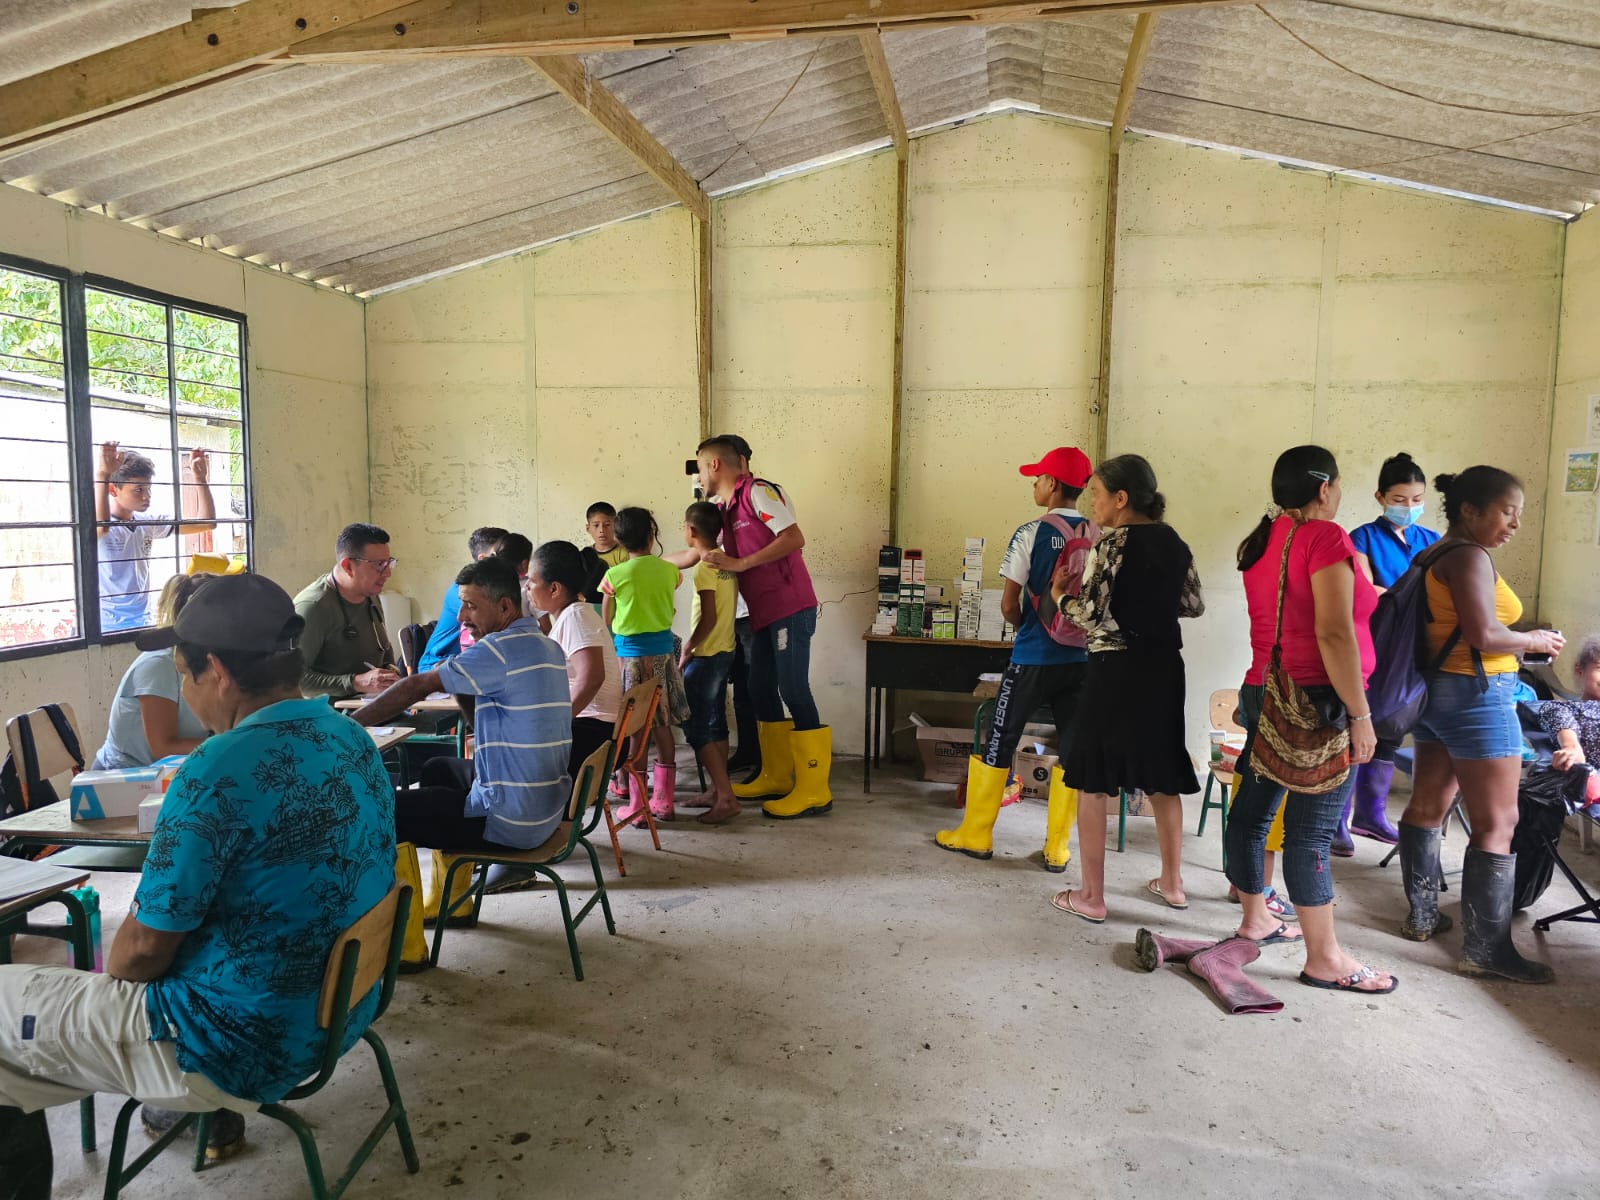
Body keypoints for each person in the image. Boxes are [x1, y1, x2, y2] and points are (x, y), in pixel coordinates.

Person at [0, 573, 396, 1180]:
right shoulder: (351, 737)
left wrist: (107, 994)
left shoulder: (215, 769)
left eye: (184, 675)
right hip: (341, 1010)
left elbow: (139, 954)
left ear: (217, 671)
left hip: (232, 1043)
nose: (186, 690)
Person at [1223, 446, 1397, 995]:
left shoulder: (1264, 538)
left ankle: (1256, 919)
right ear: (1324, 488)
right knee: (1312, 832)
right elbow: (1334, 633)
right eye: (1338, 485)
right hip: (1315, 703)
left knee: (1252, 813)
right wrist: (1360, 714)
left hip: (1262, 691)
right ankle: (1325, 958)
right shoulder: (1324, 538)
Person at [1396, 466, 1563, 983]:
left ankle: (1423, 914)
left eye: (1519, 514)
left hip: (1436, 694)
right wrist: (1533, 640)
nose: (1515, 524)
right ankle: (1486, 950)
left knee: (1428, 803)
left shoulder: (1434, 552)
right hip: (1477, 697)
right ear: (1470, 510)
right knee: (1498, 823)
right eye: (1507, 512)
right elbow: (1484, 634)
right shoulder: (1469, 556)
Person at [357, 556, 570, 919]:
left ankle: (403, 932)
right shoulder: (545, 644)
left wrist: (347, 726)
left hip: (511, 821)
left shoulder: (497, 650)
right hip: (544, 809)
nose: (461, 617)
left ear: (505, 607)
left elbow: (419, 684)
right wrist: (457, 676)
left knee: (384, 811)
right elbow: (468, 697)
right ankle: (452, 902)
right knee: (438, 769)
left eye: (470, 606)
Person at [1049, 455, 1202, 924]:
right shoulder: (1175, 541)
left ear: (1121, 498)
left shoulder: (1112, 543)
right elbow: (1192, 604)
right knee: (1163, 775)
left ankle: (1091, 896)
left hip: (1115, 669)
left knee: (1092, 779)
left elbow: (1090, 614)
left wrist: (1060, 596)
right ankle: (1172, 884)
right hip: (1164, 668)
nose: (1092, 503)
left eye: (1096, 494)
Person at [935, 445, 1095, 871]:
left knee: (1000, 740)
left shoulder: (1030, 533)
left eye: (1039, 477)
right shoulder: (1099, 533)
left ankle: (976, 835)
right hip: (1081, 661)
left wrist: (1029, 626)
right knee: (1073, 750)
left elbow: (1008, 605)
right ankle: (1057, 847)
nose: (1034, 484)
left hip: (1032, 658)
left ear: (1053, 484)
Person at [696, 436, 830, 819]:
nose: (699, 476)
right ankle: (775, 775)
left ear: (715, 465)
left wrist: (741, 564)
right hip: (763, 613)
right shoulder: (725, 508)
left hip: (790, 607)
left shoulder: (757, 492)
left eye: (700, 467)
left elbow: (793, 537)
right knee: (758, 688)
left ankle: (814, 790)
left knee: (793, 688)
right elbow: (697, 552)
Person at [1342, 452, 1443, 847]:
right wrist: (1406, 601)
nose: (1409, 507)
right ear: (1380, 497)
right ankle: (1337, 821)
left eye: (1417, 499)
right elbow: (1366, 590)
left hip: (1415, 650)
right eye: (1399, 500)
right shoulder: (1362, 537)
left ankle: (1371, 815)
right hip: (1374, 643)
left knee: (1394, 726)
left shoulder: (1432, 541)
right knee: (1359, 727)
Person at [600, 506, 689, 824]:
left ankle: (638, 806)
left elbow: (607, 618)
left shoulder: (614, 575)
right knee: (663, 727)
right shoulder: (669, 571)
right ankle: (664, 802)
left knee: (635, 730)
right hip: (663, 655)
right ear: (652, 536)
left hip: (630, 658)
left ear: (619, 540)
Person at [91, 575, 212, 769]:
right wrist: (225, 746)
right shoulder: (159, 666)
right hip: (122, 775)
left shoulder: (210, 661)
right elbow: (163, 748)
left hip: (166, 772)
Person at [94, 441, 216, 632]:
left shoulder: (147, 523)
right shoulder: (102, 527)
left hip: (142, 621)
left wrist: (200, 480)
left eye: (148, 488)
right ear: (112, 490)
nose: (146, 496)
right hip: (106, 625)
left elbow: (207, 523)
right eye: (138, 489)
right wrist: (103, 474)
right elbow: (101, 526)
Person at [527, 539, 622, 780]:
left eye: (532, 581)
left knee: (517, 752)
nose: (527, 587)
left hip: (593, 734)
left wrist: (557, 722)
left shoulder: (575, 619)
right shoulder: (573, 615)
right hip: (596, 729)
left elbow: (592, 678)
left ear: (554, 589)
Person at [679, 502, 741, 825]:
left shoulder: (705, 567)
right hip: (725, 650)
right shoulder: (725, 562)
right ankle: (718, 790)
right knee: (716, 723)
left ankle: (726, 797)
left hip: (706, 655)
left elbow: (709, 617)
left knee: (695, 728)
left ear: (691, 531)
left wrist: (688, 646)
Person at [293, 523, 401, 699]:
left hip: (372, 703)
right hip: (329, 711)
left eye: (389, 563)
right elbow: (294, 680)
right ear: (348, 566)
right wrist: (355, 683)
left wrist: (391, 675)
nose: (387, 573)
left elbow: (383, 653)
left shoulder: (370, 594)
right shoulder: (313, 607)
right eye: (379, 564)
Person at [418, 526, 506, 671]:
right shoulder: (463, 590)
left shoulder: (495, 589)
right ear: (483, 559)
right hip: (437, 664)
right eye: (501, 554)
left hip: (465, 662)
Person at [1539, 635, 1600, 775]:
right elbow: (1558, 716)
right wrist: (1571, 748)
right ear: (1579, 670)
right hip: (1588, 781)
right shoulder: (1564, 709)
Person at [581, 502, 627, 601]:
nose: (602, 530)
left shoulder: (625, 554)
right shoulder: (585, 555)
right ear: (588, 528)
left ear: (615, 526)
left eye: (607, 525)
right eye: (596, 525)